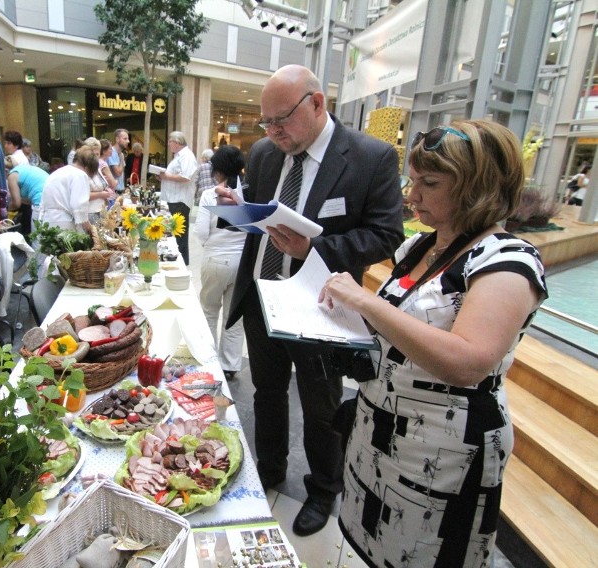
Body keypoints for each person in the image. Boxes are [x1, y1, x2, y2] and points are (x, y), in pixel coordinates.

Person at [321, 120, 547, 566]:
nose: (412, 194)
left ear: (475, 188)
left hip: (444, 452)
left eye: (429, 183)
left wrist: (365, 302)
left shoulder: (507, 260)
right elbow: (401, 330)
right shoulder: (420, 247)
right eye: (412, 180)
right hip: (381, 432)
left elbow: (467, 363)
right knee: (373, 545)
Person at [221, 64, 404, 536]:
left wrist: (314, 249)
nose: (272, 131)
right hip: (263, 295)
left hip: (320, 307)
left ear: (317, 103)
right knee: (266, 393)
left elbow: (386, 235)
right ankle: (270, 469)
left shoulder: (370, 157)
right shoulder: (263, 154)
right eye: (266, 122)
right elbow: (262, 219)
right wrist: (234, 209)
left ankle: (324, 488)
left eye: (281, 120)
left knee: (320, 405)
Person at [193, 146, 246, 381]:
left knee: (209, 310)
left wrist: (212, 244)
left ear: (218, 170)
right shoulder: (250, 191)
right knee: (234, 316)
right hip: (243, 262)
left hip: (216, 259)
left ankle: (209, 359)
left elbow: (202, 232)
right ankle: (230, 364)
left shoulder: (210, 194)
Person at [158, 131, 199, 265]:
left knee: (180, 235)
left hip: (179, 200)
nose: (168, 144)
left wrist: (166, 177)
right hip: (173, 199)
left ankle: (183, 264)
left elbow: (186, 177)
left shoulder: (186, 156)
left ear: (177, 142)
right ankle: (177, 262)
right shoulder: (178, 156)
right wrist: (164, 177)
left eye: (170, 141)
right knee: (175, 235)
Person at [39, 145, 99, 233]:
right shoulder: (80, 175)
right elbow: (79, 206)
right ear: (87, 168)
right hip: (65, 224)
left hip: (47, 220)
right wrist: (90, 229)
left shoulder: (57, 172)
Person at [7, 160, 49, 235]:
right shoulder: (23, 170)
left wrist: (6, 209)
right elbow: (26, 200)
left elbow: (16, 203)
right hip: (51, 196)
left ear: (6, 170)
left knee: (37, 236)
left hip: (39, 200)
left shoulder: (12, 176)